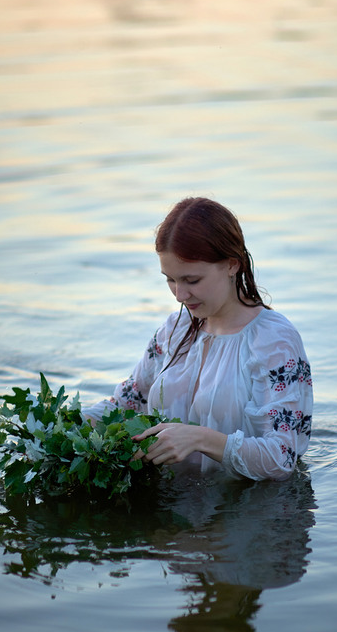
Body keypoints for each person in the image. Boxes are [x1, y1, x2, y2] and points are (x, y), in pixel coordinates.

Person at [83, 197, 313, 481]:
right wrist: (62, 423)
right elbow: (126, 405)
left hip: (242, 511)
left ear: (232, 264)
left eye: (192, 281)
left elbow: (281, 458)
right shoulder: (175, 329)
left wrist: (201, 439)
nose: (179, 295)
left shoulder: (273, 341)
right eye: (170, 280)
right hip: (172, 502)